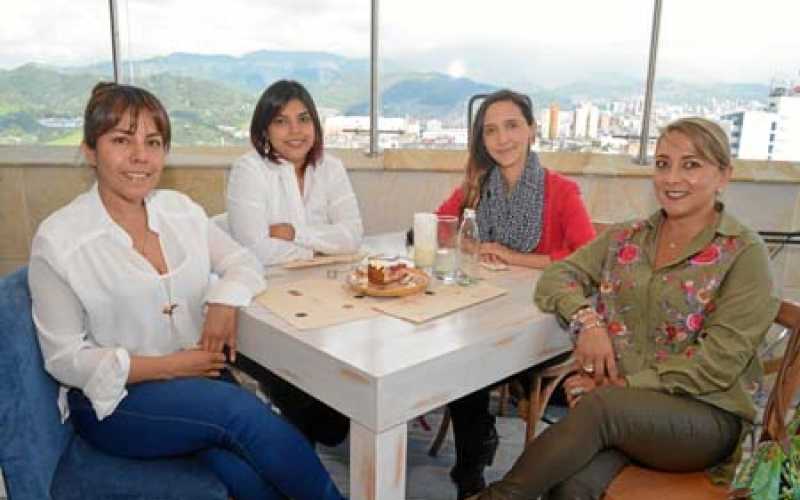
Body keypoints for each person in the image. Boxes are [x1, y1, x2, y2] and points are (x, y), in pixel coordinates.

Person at [28, 82, 345, 500]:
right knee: (240, 414)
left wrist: (222, 300)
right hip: (116, 400)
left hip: (197, 382)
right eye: (121, 140)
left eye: (153, 141)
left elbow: (243, 262)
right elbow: (65, 360)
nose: (140, 156)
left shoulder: (180, 211)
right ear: (90, 150)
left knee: (245, 471)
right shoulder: (60, 240)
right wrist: (174, 366)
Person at [469, 117, 780, 500]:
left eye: (692, 165)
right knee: (568, 486)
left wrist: (622, 386)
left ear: (723, 176)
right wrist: (588, 322)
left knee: (598, 410)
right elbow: (557, 277)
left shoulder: (744, 253)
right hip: (622, 413)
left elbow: (717, 364)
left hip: (705, 416)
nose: (672, 178)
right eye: (663, 164)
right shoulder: (627, 237)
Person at [435, 89, 596, 499]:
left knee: (468, 358)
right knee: (458, 347)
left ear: (531, 131)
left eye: (511, 126)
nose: (502, 138)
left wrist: (512, 257)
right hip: (487, 310)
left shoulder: (560, 190)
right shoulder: (477, 186)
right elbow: (441, 224)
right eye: (491, 130)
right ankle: (474, 458)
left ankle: (472, 460)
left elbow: (586, 257)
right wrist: (470, 243)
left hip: (544, 325)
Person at [227, 79, 357, 448]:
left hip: (323, 298)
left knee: (333, 412)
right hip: (264, 304)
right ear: (264, 129)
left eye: (303, 119)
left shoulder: (330, 167)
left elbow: (353, 234)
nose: (296, 131)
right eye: (281, 121)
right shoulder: (249, 170)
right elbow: (255, 249)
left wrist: (294, 233)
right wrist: (319, 245)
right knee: (313, 408)